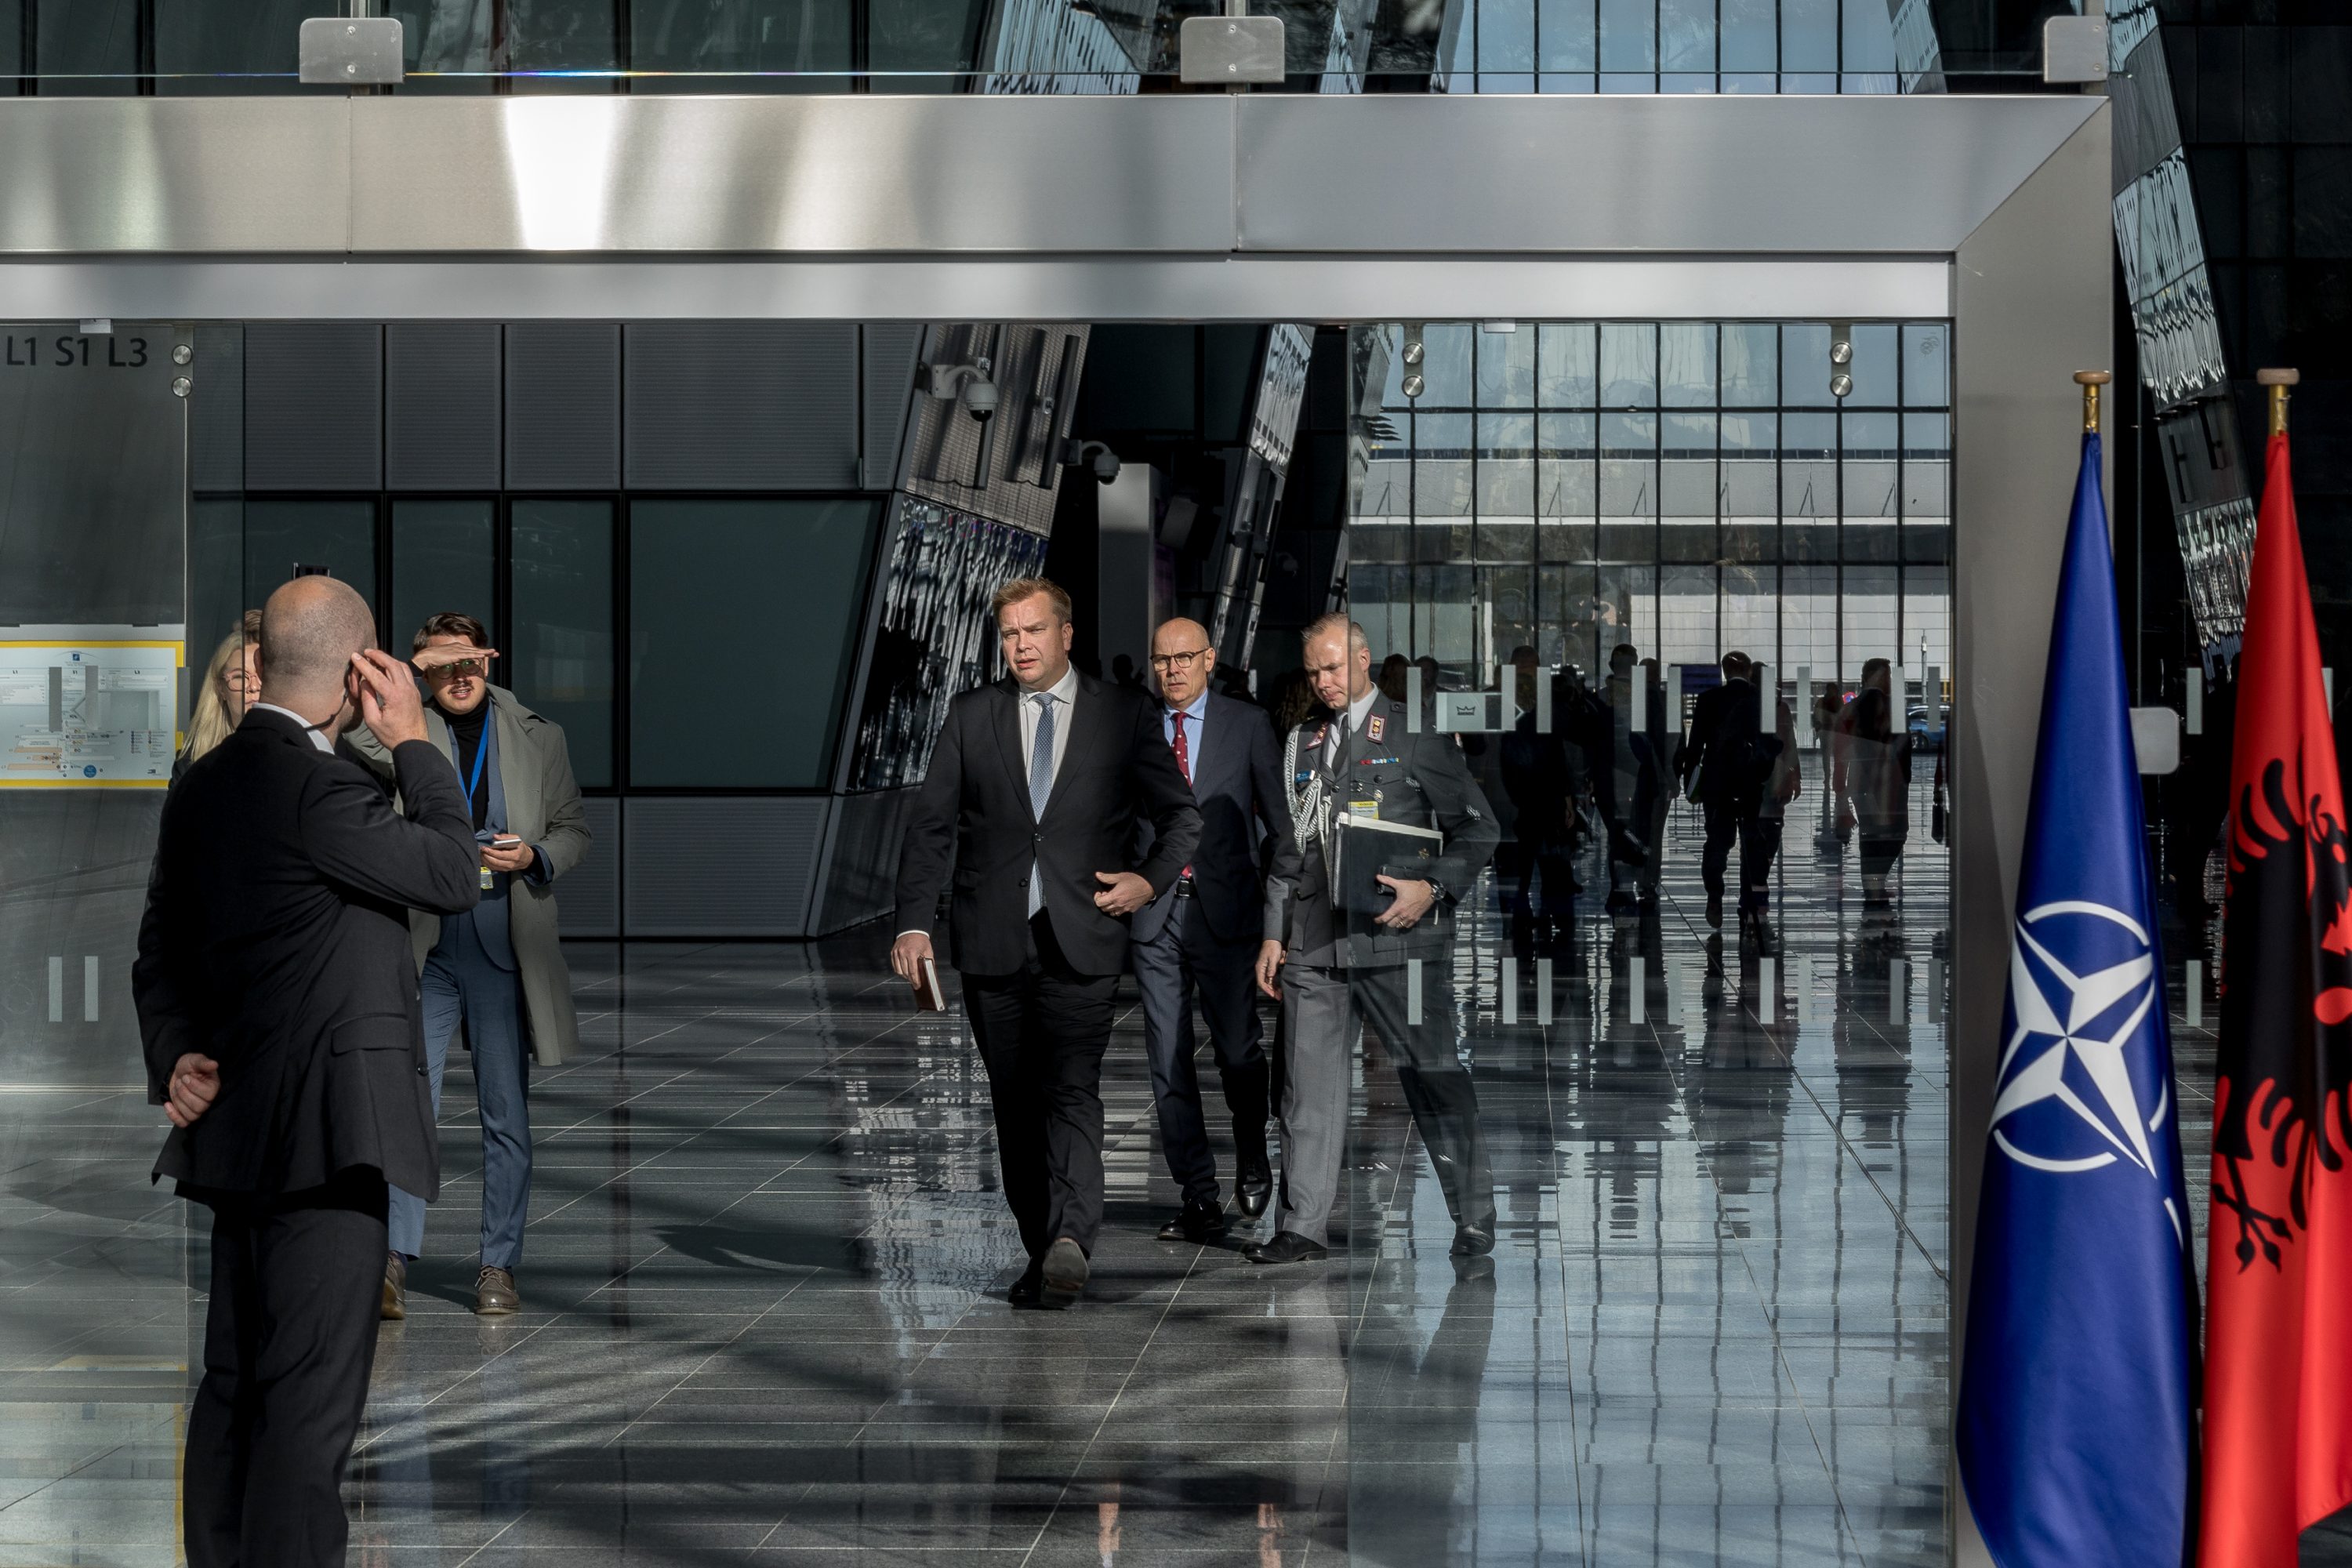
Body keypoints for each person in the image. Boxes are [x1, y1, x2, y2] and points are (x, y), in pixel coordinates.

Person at [132, 575, 479, 1568]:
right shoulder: (323, 787)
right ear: (358, 669)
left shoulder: (204, 781)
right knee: (310, 1408)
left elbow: (160, 944)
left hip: (238, 1129)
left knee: (236, 1381)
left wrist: (174, 1051)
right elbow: (453, 872)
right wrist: (414, 737)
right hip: (329, 1139)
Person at [891, 578, 1200, 1308]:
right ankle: (1044, 1253)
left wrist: (1147, 883)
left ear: (1066, 635)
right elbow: (932, 827)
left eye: (1033, 631)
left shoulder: (1122, 715)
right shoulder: (972, 717)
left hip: (1084, 934)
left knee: (1070, 1089)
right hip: (991, 939)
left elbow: (1181, 817)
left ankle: (1071, 1236)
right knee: (1012, 1102)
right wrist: (913, 922)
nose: (1021, 646)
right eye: (1009, 634)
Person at [351, 613, 591, 1320]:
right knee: (406, 1108)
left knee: (504, 1113)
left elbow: (574, 828)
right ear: (423, 669)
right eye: (443, 665)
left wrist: (536, 856)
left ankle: (498, 1266)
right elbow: (355, 731)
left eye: (471, 663)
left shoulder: (539, 733)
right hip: (424, 939)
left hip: (502, 934)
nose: (460, 677)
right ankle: (393, 1260)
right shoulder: (402, 728)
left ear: (489, 662)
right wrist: (403, 677)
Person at [1252, 615, 1501, 1270]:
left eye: (1333, 668)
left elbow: (1479, 830)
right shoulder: (1303, 742)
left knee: (1434, 1074)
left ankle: (1473, 1213)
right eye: (1313, 672)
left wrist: (1434, 889)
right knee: (1306, 1089)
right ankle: (1302, 1225)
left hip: (1401, 940)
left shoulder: (1417, 736)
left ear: (1362, 659)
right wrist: (1273, 934)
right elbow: (1290, 849)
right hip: (1315, 940)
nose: (1324, 682)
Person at [1130, 617, 1300, 1243]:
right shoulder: (1139, 727)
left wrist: (1278, 920)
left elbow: (1282, 830)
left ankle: (1252, 1143)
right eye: (1161, 660)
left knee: (1236, 1049)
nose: (1172, 670)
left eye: (1183, 658)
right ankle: (1197, 1195)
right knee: (1166, 1059)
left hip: (1227, 912)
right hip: (1155, 915)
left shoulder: (1247, 724)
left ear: (1209, 659)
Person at [1680, 651, 1801, 939]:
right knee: (1752, 843)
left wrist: (1690, 782)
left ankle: (1714, 896)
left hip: (1717, 786)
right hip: (1749, 785)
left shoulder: (1708, 700)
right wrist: (1761, 774)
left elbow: (1694, 746)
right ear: (1748, 671)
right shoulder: (1762, 700)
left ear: (1724, 671)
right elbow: (1771, 744)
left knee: (1717, 843)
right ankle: (1750, 902)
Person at [1835, 657, 1911, 907]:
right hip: (1890, 784)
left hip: (1860, 784)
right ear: (1877, 676)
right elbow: (1903, 748)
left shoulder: (1849, 708)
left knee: (1870, 835)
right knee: (1896, 833)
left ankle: (1873, 885)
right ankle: (1875, 882)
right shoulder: (1894, 708)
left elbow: (1841, 752)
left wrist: (1842, 793)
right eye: (1887, 676)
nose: (1890, 681)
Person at [174, 611, 262, 781]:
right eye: (239, 676)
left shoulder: (298, 759)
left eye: (262, 675)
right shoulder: (191, 764)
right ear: (221, 688)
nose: (253, 686)